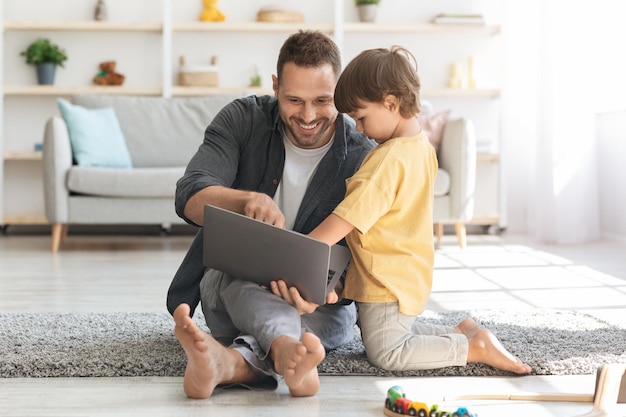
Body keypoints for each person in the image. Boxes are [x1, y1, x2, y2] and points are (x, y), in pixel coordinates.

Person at [270, 46, 532, 375]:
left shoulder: (386, 161)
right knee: (391, 335)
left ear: (391, 103)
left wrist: (296, 255)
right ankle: (461, 331)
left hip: (386, 282)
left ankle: (472, 347)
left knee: (388, 352)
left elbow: (343, 221)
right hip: (406, 273)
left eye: (362, 118)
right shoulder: (419, 147)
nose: (360, 130)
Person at [166, 30, 376, 398]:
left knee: (338, 318)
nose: (308, 116)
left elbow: (369, 257)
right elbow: (189, 195)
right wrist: (246, 200)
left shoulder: (362, 154)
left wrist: (330, 293)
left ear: (340, 91)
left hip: (315, 309)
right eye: (294, 99)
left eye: (322, 101)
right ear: (276, 86)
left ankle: (230, 364)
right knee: (239, 281)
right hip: (234, 288)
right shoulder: (243, 118)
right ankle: (284, 352)